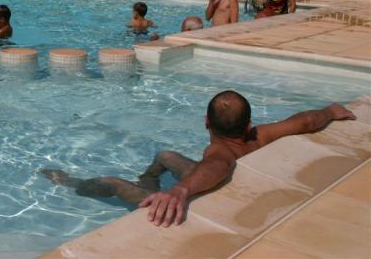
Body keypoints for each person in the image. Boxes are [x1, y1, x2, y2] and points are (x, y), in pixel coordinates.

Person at [41, 90, 356, 227]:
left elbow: (217, 166)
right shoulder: (260, 135)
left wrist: (180, 190)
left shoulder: (220, 151)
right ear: (248, 124)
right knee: (165, 155)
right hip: (217, 169)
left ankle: (70, 182)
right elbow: (306, 120)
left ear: (206, 123)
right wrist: (330, 111)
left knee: (111, 182)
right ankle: (148, 179)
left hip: (205, 187)